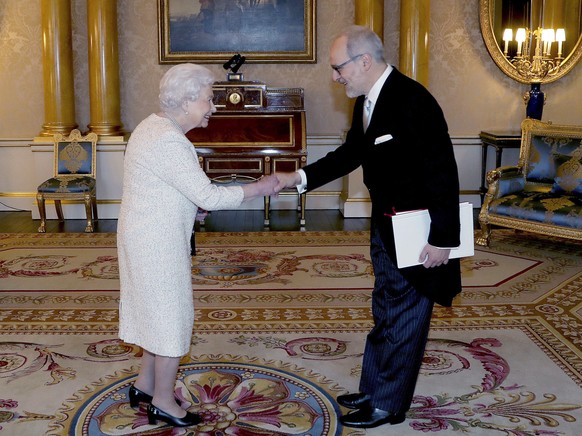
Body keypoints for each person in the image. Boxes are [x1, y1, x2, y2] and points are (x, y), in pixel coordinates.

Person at [274, 25, 462, 429]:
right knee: (386, 309)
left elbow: (442, 171)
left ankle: (390, 404)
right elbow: (350, 154)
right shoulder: (368, 101)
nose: (335, 76)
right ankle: (374, 387)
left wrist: (443, 239)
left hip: (418, 231)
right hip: (385, 225)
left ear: (363, 61)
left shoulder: (413, 100)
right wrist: (300, 177)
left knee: (406, 315)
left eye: (338, 67)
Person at [117, 63, 278, 428]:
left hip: (143, 235)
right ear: (188, 99)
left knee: (153, 313)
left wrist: (190, 207)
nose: (212, 107)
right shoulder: (168, 139)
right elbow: (208, 194)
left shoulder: (152, 126)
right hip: (155, 243)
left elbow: (165, 188)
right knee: (171, 317)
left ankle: (144, 384)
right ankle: (162, 401)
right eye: (208, 99)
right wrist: (260, 187)